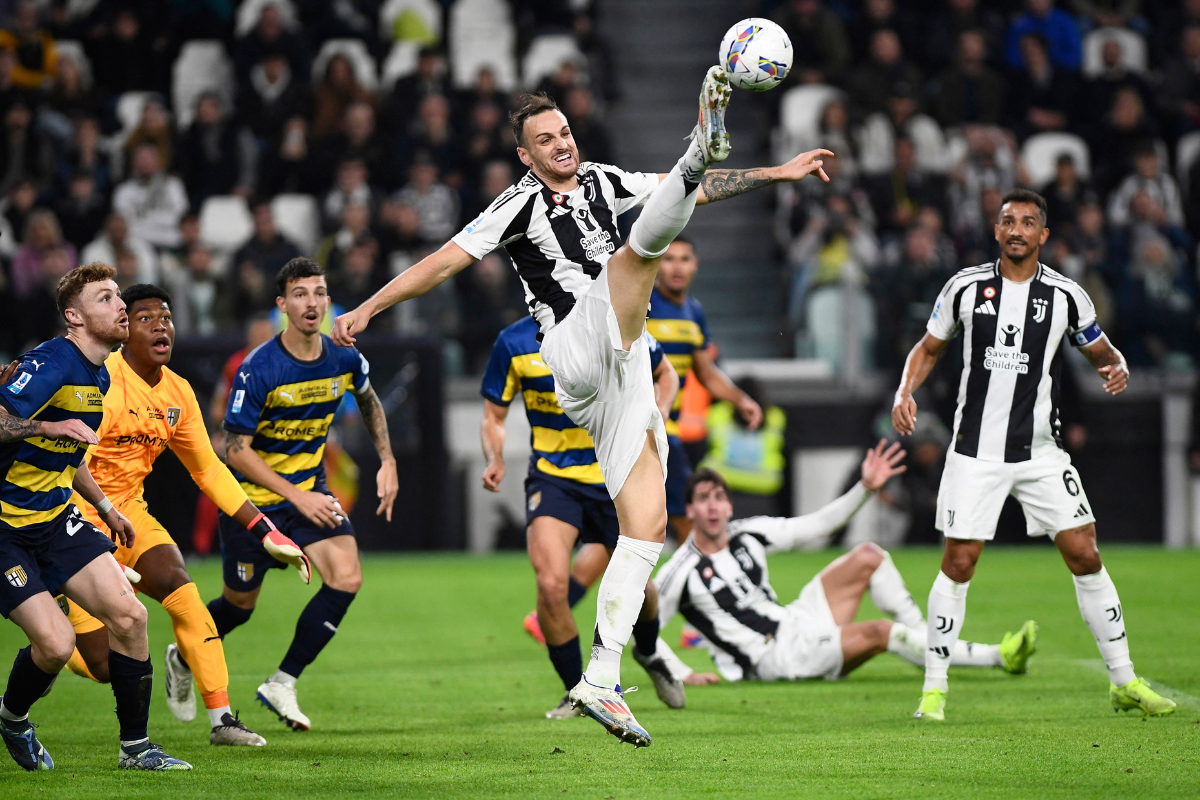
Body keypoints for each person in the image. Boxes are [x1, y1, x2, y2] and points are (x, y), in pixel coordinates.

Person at [332, 72, 833, 747]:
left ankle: (600, 677)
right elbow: (442, 263)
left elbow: (686, 194)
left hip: (622, 369)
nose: (561, 144)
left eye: (564, 132)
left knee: (648, 529)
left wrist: (778, 171)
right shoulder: (516, 204)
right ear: (525, 156)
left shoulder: (600, 178)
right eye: (545, 139)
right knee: (636, 257)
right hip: (572, 345)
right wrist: (368, 307)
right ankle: (701, 137)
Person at [891, 189, 1176, 721]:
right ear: (996, 232)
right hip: (975, 452)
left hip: (1041, 451)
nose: (1017, 229)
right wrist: (903, 392)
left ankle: (1123, 679)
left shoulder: (1067, 296)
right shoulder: (965, 288)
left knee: (1085, 553)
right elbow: (928, 348)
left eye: (1028, 222)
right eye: (1008, 221)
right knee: (958, 562)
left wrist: (1116, 366)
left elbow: (1100, 350)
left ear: (1043, 235)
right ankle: (934, 690)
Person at [48, 284, 309, 747]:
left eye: (166, 318)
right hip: (72, 517)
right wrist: (95, 546)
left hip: (128, 513)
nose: (160, 325)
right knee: (102, 665)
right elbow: (64, 465)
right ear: (125, 331)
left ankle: (223, 719)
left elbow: (208, 469)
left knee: (179, 584)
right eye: (145, 318)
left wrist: (263, 527)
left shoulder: (178, 393)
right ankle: (50, 646)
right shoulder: (99, 382)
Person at [0, 263, 189, 771]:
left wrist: (105, 506)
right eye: (106, 299)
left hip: (55, 517)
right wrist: (45, 422)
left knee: (131, 618)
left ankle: (136, 750)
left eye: (117, 297)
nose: (120, 306)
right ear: (74, 317)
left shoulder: (100, 372)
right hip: (5, 528)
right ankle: (13, 719)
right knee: (58, 645)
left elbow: (70, 450)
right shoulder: (52, 361)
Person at [213, 258, 398, 731]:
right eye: (300, 294)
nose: (312, 302)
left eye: (319, 292)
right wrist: (296, 496)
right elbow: (234, 449)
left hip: (308, 495)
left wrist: (388, 461)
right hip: (251, 504)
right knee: (238, 608)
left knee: (347, 575)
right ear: (282, 305)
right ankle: (185, 649)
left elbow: (369, 399)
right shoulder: (260, 367)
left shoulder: (344, 357)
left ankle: (282, 681)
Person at [653, 460, 1037, 684]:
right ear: (689, 512)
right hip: (775, 659)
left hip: (795, 621)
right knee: (881, 632)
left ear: (730, 507)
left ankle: (926, 642)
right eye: (703, 500)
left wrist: (865, 488)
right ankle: (998, 657)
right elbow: (644, 633)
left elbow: (818, 525)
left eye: (720, 498)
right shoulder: (679, 571)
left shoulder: (748, 533)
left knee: (869, 555)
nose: (714, 507)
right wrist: (682, 673)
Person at [481, 316, 687, 716]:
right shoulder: (513, 342)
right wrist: (494, 457)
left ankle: (647, 651)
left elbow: (667, 375)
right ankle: (578, 691)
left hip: (617, 471)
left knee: (641, 587)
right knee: (551, 585)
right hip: (553, 477)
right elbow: (494, 414)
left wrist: (653, 417)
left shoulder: (615, 322)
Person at [648, 237, 762, 540]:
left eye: (685, 259)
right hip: (634, 429)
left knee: (679, 516)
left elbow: (706, 372)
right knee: (678, 519)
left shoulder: (693, 311)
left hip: (667, 432)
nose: (677, 266)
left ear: (695, 265)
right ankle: (705, 579)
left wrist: (741, 399)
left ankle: (696, 581)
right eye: (669, 258)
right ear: (657, 263)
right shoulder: (641, 304)